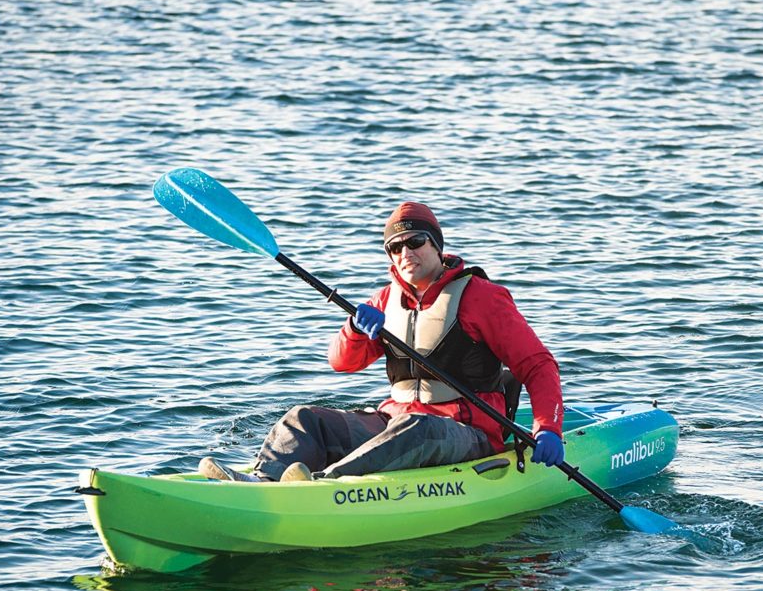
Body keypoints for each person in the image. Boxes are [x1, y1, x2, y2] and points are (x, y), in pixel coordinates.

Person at [199, 201, 565, 482]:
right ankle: (262, 481)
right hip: (395, 421)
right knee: (304, 418)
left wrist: (547, 426)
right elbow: (342, 362)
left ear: (437, 246)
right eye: (395, 247)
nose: (406, 253)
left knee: (418, 428)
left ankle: (321, 486)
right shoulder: (383, 302)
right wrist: (354, 330)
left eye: (415, 241)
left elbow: (537, 365)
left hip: (470, 433)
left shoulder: (482, 298)